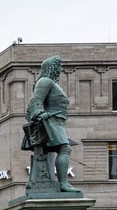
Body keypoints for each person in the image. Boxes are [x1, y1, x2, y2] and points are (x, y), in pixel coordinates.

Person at [23, 55, 81, 194]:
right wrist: (38, 113)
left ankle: (47, 181)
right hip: (50, 121)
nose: (60, 69)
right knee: (65, 149)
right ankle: (63, 183)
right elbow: (35, 101)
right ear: (52, 67)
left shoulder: (50, 82)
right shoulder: (45, 81)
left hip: (57, 122)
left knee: (54, 151)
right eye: (58, 66)